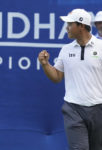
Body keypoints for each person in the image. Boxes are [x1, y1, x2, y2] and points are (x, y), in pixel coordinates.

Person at [38, 8, 102, 150]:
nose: (66, 28)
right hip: (73, 108)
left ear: (81, 26)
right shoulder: (66, 50)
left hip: (99, 108)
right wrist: (45, 64)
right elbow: (56, 77)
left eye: (70, 24)